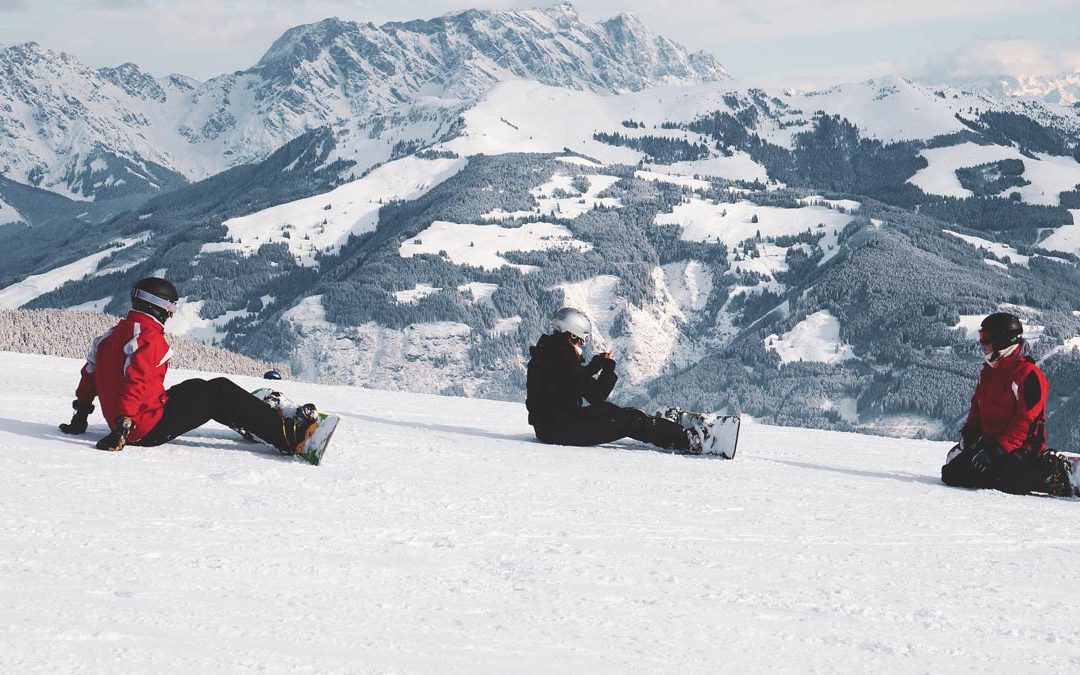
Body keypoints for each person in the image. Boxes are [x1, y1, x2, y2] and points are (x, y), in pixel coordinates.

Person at [58, 277, 321, 458]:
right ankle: (292, 438)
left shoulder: (111, 335)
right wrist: (122, 427)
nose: (172, 312)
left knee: (197, 388)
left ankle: (254, 421)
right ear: (157, 306)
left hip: (135, 418)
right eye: (170, 306)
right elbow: (134, 383)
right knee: (219, 392)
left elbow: (90, 375)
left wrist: (80, 416)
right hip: (140, 427)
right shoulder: (149, 340)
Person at [526, 307, 704, 453]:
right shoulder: (562, 358)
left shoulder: (549, 352)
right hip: (561, 430)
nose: (582, 345)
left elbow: (571, 381)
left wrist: (597, 363)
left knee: (608, 410)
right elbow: (596, 394)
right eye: (581, 341)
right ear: (572, 335)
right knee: (629, 419)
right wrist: (609, 367)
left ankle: (663, 429)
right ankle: (688, 439)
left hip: (549, 426)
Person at [941, 312, 1077, 496]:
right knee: (952, 473)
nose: (983, 344)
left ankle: (1054, 471)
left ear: (1002, 341)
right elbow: (977, 408)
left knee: (1006, 481)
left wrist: (997, 450)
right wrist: (971, 433)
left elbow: (1025, 421)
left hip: (1021, 449)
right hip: (990, 446)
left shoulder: (1029, 375)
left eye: (986, 339)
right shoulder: (989, 373)